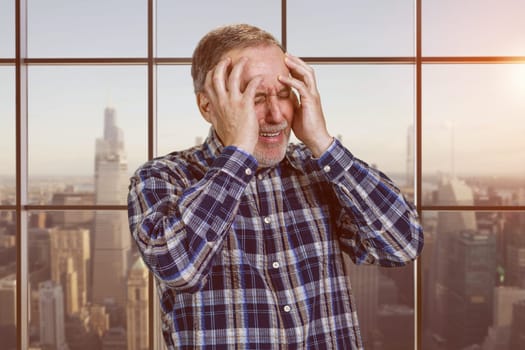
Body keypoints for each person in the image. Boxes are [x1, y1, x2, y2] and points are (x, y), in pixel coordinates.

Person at [127, 23, 423, 349]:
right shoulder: (161, 178)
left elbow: (403, 243)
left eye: (283, 94)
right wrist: (238, 152)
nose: (275, 114)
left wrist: (322, 142)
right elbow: (179, 267)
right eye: (254, 97)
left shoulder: (318, 170)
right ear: (208, 106)